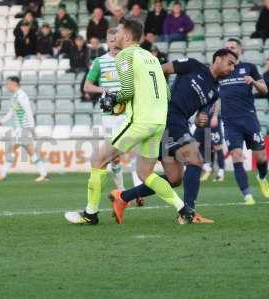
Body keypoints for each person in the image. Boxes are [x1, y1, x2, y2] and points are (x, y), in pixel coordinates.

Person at [64, 19, 195, 225]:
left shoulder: (125, 55)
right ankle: (183, 209)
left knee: (98, 159)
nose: (114, 36)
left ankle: (90, 214)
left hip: (140, 122)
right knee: (145, 173)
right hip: (159, 122)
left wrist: (114, 100)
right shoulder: (151, 57)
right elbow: (167, 93)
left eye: (118, 32)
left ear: (126, 36)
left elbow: (127, 91)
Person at [109, 50, 238, 224]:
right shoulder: (193, 65)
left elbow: (201, 118)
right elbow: (160, 70)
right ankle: (188, 212)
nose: (232, 68)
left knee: (174, 178)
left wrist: (201, 119)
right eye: (230, 63)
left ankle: (123, 197)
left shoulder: (214, 92)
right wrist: (157, 97)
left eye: (234, 65)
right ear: (218, 59)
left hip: (178, 123)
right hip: (168, 116)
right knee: (196, 160)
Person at [83, 28, 143, 192]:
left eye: (116, 40)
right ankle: (122, 192)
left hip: (128, 112)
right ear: (107, 42)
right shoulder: (99, 62)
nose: (114, 44)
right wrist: (103, 89)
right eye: (111, 41)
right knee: (114, 157)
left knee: (132, 150)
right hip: (109, 115)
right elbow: (87, 86)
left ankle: (137, 190)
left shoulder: (129, 60)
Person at [219, 38, 269, 204]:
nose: (229, 49)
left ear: (239, 50)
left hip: (249, 119)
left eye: (232, 47)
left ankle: (262, 177)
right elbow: (214, 96)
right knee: (236, 156)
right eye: (227, 47)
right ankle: (247, 196)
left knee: (261, 158)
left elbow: (264, 89)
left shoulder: (249, 67)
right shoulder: (220, 71)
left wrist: (253, 81)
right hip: (230, 122)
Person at [0, 76, 49, 182]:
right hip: (21, 129)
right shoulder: (16, 96)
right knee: (31, 152)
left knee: (11, 149)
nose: (6, 86)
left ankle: (2, 175)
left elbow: (28, 111)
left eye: (8, 84)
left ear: (14, 83)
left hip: (22, 129)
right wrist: (1, 122)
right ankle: (44, 174)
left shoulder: (21, 96)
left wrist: (32, 129)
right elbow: (12, 112)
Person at [197, 101, 226, 182]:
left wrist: (215, 116)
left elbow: (218, 100)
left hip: (212, 117)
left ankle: (221, 173)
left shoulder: (213, 89)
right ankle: (207, 168)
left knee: (217, 146)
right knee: (197, 144)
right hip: (201, 118)